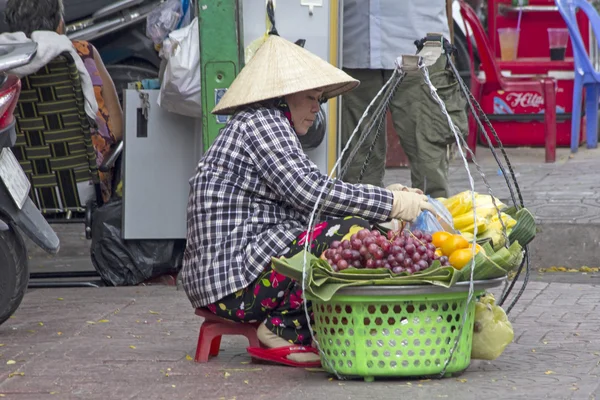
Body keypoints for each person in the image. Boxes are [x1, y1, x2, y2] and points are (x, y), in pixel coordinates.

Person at [180, 33, 435, 368]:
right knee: (351, 233)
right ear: (285, 95)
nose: (317, 106)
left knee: (350, 227)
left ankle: (298, 325)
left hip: (229, 280)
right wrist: (389, 203)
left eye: (319, 99)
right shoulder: (262, 123)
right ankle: (282, 329)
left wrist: (387, 199)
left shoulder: (265, 124)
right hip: (231, 287)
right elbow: (312, 193)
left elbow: (311, 199)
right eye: (311, 97)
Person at [341, 0, 468, 198]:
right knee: (357, 165)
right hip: (351, 40)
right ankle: (362, 224)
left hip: (419, 43)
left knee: (428, 156)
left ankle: (432, 222)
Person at [5, 0, 124, 204]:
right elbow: (119, 129)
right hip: (83, 189)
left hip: (20, 190)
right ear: (59, 25)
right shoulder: (82, 54)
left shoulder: (6, 63)